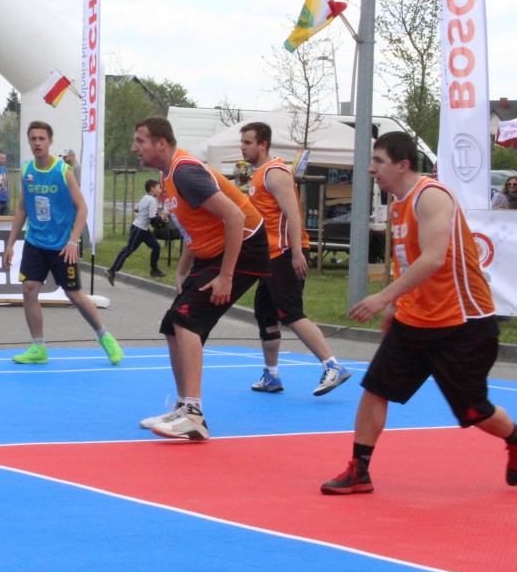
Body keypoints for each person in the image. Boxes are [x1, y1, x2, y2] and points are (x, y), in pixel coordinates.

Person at [322, 131, 517, 494]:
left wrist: (382, 297)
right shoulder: (398, 204)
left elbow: (433, 259)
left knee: (474, 411)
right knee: (375, 389)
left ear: (402, 165)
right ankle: (359, 469)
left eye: (378, 161)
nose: (371, 168)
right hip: (415, 320)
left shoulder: (431, 197)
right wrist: (395, 305)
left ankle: (514, 437)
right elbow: (406, 261)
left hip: (462, 322)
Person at [130, 117, 269, 441]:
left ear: (161, 143)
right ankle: (183, 407)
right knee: (172, 325)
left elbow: (235, 216)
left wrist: (226, 276)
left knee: (186, 320)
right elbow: (195, 225)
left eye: (140, 141)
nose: (135, 147)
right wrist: (182, 269)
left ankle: (193, 415)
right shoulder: (167, 175)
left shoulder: (185, 172)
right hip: (214, 252)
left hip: (244, 247)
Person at [239, 122, 351, 396]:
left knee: (290, 312)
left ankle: (332, 365)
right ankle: (271, 375)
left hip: (285, 253)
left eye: (248, 142)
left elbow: (294, 213)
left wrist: (298, 253)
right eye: (242, 142)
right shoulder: (258, 174)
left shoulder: (275, 173)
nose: (243, 147)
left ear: (263, 144)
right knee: (265, 314)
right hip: (269, 256)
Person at [2, 121, 124, 367]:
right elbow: (22, 208)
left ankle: (105, 337)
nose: (37, 143)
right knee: (29, 289)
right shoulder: (27, 171)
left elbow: (82, 208)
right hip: (35, 242)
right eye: (33, 138)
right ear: (29, 141)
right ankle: (38, 347)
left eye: (42, 139)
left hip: (61, 245)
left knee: (74, 295)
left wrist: (72, 241)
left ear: (50, 142)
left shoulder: (62, 171)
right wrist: (10, 244)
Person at [105, 179, 165, 284]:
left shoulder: (145, 197)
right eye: (158, 187)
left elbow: (137, 209)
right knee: (128, 250)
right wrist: (160, 218)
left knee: (156, 247)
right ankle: (111, 271)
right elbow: (152, 219)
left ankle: (154, 270)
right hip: (139, 229)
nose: (160, 190)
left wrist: (150, 214)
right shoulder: (152, 200)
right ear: (152, 188)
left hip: (142, 229)